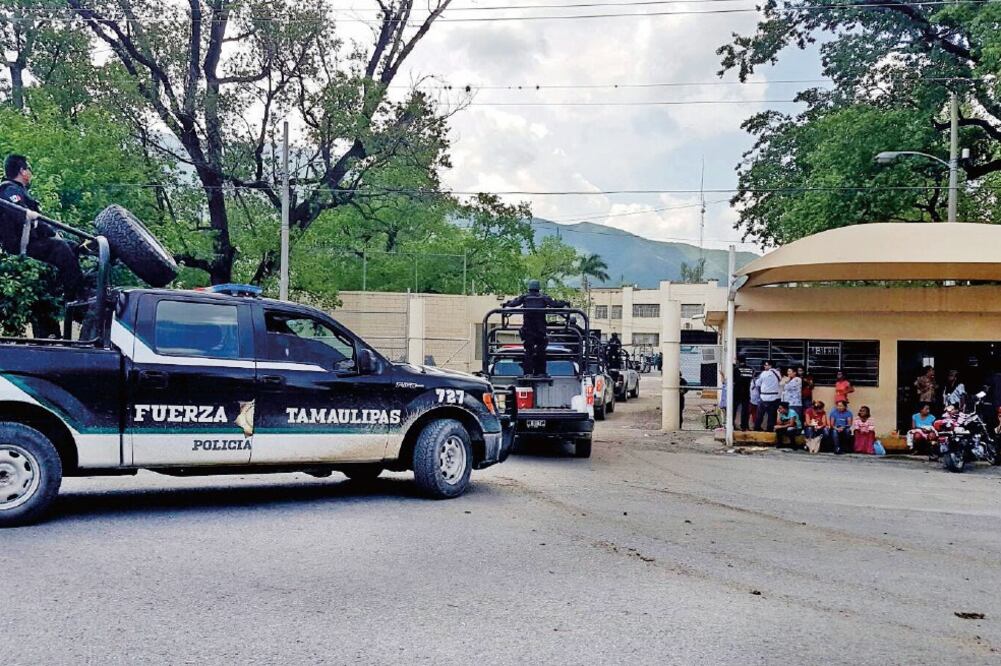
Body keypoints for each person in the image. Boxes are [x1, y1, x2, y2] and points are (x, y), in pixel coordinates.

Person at [0, 154, 85, 337]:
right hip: (21, 247)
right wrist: (49, 230)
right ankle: (74, 301)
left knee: (71, 246)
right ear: (22, 171)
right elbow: (20, 214)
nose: (30, 173)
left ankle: (75, 292)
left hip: (33, 243)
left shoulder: (18, 191)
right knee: (61, 249)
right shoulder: (9, 191)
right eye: (28, 169)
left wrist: (54, 232)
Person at [502, 279, 570, 377]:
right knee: (541, 352)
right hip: (540, 331)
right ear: (538, 288)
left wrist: (506, 304)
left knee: (528, 352)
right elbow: (555, 304)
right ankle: (541, 372)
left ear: (529, 287)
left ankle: (528, 373)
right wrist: (564, 303)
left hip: (528, 331)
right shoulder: (543, 297)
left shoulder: (525, 297)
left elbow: (514, 303)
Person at [754, 359, 782, 432]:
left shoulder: (764, 373)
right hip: (774, 397)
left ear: (770, 365)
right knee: (771, 415)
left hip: (764, 397)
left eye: (766, 365)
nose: (764, 366)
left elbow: (757, 383)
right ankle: (770, 429)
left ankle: (757, 428)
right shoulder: (778, 373)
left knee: (760, 415)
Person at [733, 355, 755, 431]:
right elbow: (751, 378)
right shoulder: (750, 369)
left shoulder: (736, 369)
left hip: (737, 391)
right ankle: (744, 426)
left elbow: (734, 380)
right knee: (745, 410)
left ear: (738, 361)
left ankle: (732, 424)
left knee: (734, 409)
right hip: (746, 391)